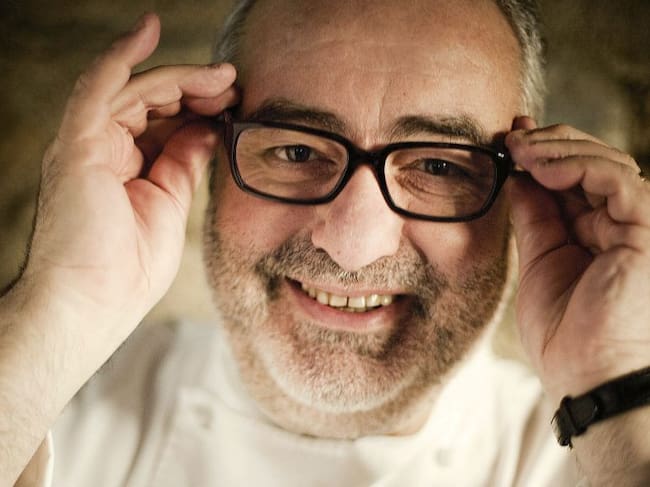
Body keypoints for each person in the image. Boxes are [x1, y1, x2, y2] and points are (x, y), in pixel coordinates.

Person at [2, 0, 649, 485]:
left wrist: (615, 381)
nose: (353, 245)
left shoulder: (604, 454)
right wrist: (62, 302)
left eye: (438, 166)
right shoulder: (43, 397)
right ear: (211, 155)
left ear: (526, 192)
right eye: (297, 150)